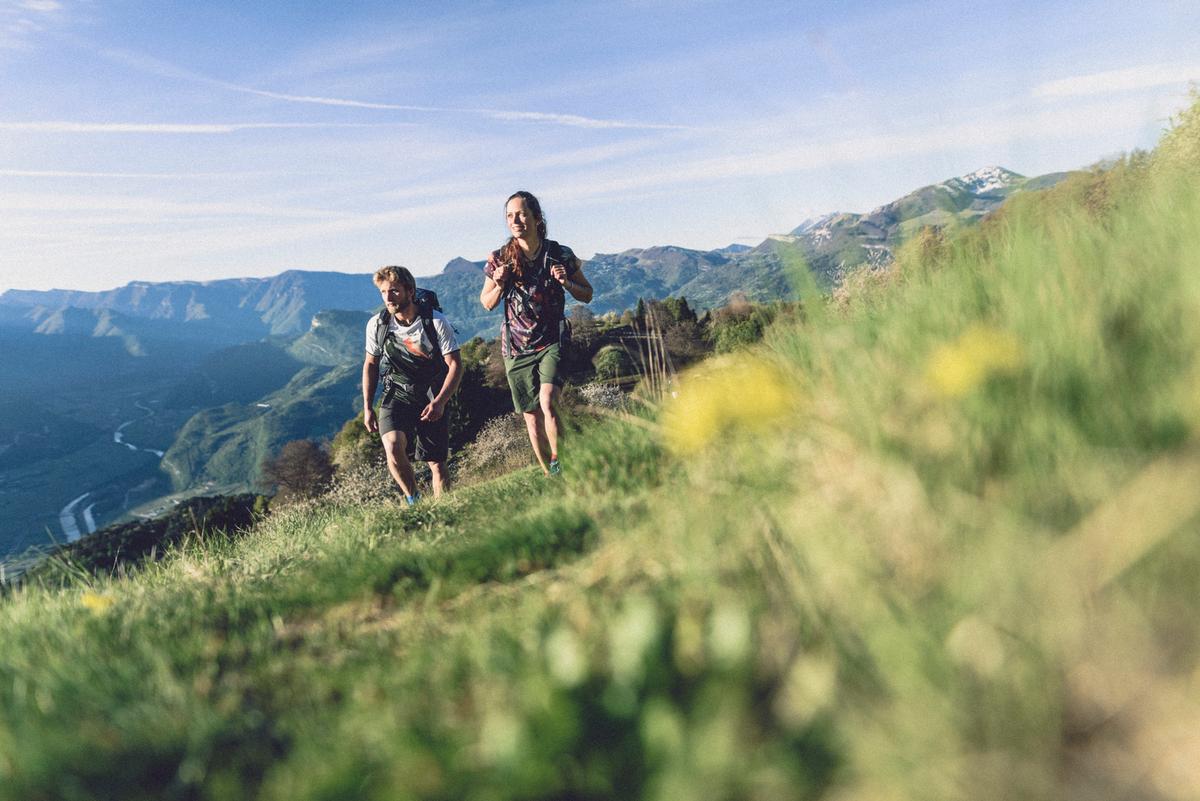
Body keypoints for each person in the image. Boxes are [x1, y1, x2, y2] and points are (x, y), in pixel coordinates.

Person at [480, 191, 593, 475]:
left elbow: (587, 294)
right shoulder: (499, 258)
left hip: (552, 340)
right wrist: (498, 282)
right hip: (516, 348)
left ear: (536, 218)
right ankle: (551, 476)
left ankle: (563, 462)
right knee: (531, 418)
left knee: (548, 402)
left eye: (521, 214)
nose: (515, 220)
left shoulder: (560, 253)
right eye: (509, 215)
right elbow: (487, 303)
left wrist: (566, 282)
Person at [363, 265, 462, 503]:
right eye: (384, 292)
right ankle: (413, 500)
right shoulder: (378, 324)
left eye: (394, 291)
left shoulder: (436, 322)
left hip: (432, 395)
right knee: (393, 446)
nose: (388, 297)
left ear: (410, 291)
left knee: (436, 463)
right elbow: (370, 364)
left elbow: (456, 365)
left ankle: (443, 509)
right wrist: (367, 407)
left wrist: (440, 402)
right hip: (396, 393)